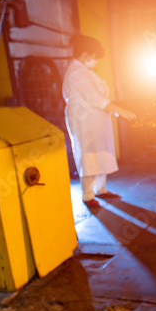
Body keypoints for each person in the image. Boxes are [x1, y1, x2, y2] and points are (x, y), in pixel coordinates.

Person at [62, 34, 136, 211]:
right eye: (95, 57)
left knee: (101, 153)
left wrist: (114, 109)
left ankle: (100, 189)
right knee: (89, 155)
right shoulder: (76, 73)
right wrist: (122, 111)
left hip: (96, 120)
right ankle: (88, 195)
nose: (96, 61)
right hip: (84, 122)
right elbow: (96, 98)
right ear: (86, 54)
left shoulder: (85, 71)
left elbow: (101, 98)